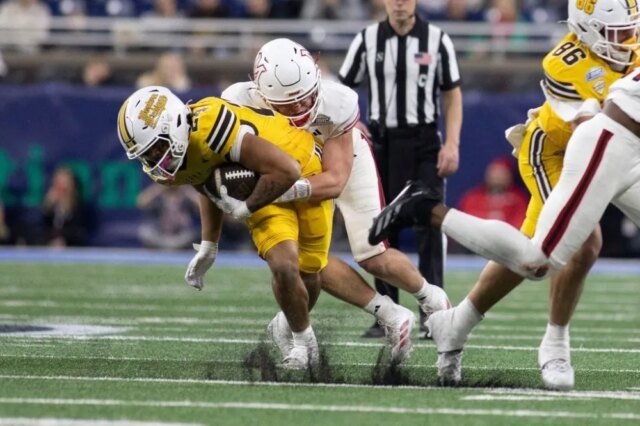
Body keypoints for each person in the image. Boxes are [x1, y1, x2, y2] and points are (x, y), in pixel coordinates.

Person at [369, 0, 640, 389]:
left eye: (632, 29)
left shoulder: (630, 49)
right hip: (561, 151)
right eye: (619, 32)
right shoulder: (565, 64)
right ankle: (555, 345)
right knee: (575, 245)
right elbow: (590, 136)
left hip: (623, 153)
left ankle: (455, 324)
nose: (629, 40)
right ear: (587, 29)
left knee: (529, 253)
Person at [222, 38, 450, 365]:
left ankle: (432, 299)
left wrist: (274, 191)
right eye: (290, 104)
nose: (302, 107)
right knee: (303, 259)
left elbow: (334, 180)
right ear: (262, 93)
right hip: (294, 173)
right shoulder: (238, 102)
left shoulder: (337, 102)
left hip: (340, 166)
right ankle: (389, 313)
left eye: (306, 97)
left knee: (373, 254)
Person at [117, 85, 332, 370]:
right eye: (147, 155)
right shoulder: (171, 164)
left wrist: (243, 209)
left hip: (299, 166)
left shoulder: (211, 128)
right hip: (262, 187)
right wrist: (209, 247)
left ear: (176, 124)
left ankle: (285, 325)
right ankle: (304, 346)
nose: (156, 160)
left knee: (310, 273)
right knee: (284, 265)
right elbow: (204, 182)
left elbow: (287, 170)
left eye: (158, 147)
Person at [338, 0, 463, 338]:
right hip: (381, 143)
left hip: (423, 142)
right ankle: (388, 314)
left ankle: (435, 315)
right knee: (380, 225)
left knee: (430, 224)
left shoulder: (437, 39)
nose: (399, 2)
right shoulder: (367, 39)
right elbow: (342, 88)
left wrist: (452, 143)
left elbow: (452, 93)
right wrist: (352, 122)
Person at [457, 157, 527, 229]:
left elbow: (521, 224)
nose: (497, 177)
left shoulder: (517, 200)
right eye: (494, 173)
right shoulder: (473, 198)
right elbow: (465, 221)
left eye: (501, 173)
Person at [136, 184, 199, 250]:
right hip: (161, 236)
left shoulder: (186, 197)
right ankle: (168, 247)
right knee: (145, 232)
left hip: (181, 237)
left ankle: (171, 247)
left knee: (192, 233)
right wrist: (160, 186)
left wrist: (185, 188)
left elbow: (201, 206)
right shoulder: (159, 196)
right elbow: (141, 202)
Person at [41, 166, 89, 247]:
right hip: (47, 248)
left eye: (64, 185)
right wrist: (47, 209)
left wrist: (66, 211)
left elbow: (79, 233)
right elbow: (41, 229)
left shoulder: (79, 209)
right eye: (58, 184)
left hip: (72, 249)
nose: (61, 190)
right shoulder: (49, 209)